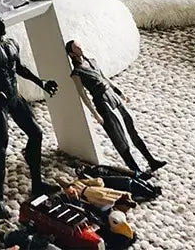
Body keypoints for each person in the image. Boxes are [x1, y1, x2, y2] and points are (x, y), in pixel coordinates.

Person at [0, 10, 58, 220]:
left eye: (2, 20)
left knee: (36, 134)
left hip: (15, 98)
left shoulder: (10, 43)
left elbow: (19, 68)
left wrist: (40, 82)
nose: (3, 24)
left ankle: (37, 182)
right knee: (0, 151)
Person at [65, 39, 165, 175]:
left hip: (112, 95)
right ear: (71, 54)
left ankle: (151, 160)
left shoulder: (92, 61)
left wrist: (120, 93)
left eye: (79, 46)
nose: (80, 48)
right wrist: (95, 114)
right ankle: (136, 171)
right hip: (101, 101)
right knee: (119, 137)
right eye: (76, 48)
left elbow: (105, 78)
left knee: (131, 127)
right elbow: (83, 95)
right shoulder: (77, 72)